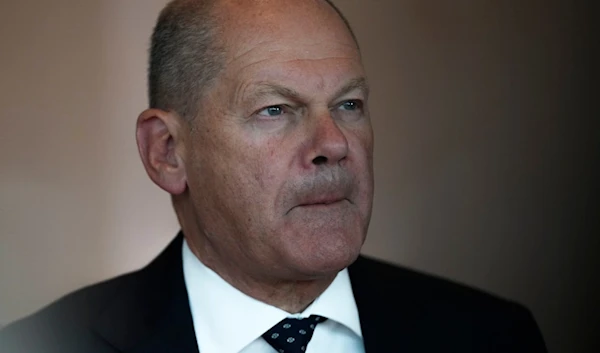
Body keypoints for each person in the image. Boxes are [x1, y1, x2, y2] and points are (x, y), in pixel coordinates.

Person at [0, 0, 547, 352]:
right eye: (276, 110)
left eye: (349, 104)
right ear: (167, 152)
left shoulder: (491, 336)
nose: (333, 143)